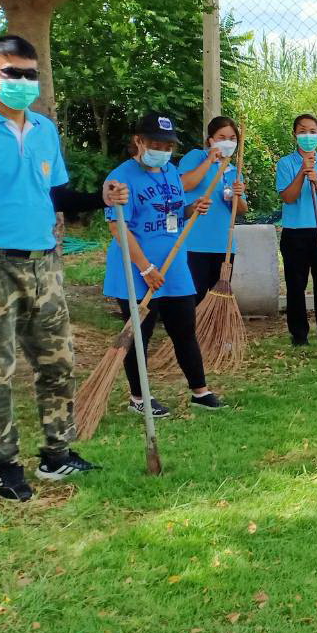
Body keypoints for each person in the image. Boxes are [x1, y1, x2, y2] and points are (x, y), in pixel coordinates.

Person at [0, 34, 128, 501]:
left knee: (58, 363)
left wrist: (100, 198)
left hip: (44, 263)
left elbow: (57, 196)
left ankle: (57, 453)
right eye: (12, 73)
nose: (23, 81)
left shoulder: (43, 130)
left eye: (30, 74)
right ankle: (3, 463)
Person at [103, 114, 225, 416]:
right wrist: (145, 267)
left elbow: (173, 212)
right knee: (139, 334)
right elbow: (118, 227)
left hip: (174, 264)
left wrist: (191, 208)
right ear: (139, 141)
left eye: (168, 146)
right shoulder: (121, 178)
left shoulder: (170, 172)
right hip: (136, 269)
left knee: (184, 328)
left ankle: (200, 391)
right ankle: (139, 397)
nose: (162, 150)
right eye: (155, 144)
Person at [275, 114, 317, 346]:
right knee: (296, 284)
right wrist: (302, 173)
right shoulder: (285, 163)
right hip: (295, 232)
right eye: (302, 131)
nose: (308, 136)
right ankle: (299, 334)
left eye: (312, 131)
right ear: (295, 134)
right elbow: (288, 197)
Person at [178, 117, 249, 301]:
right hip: (194, 242)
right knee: (194, 298)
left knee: (217, 300)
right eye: (221, 137)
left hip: (224, 244)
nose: (227, 142)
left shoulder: (235, 171)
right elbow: (184, 185)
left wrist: (237, 195)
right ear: (211, 140)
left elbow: (241, 210)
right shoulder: (196, 157)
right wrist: (210, 160)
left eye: (232, 138)